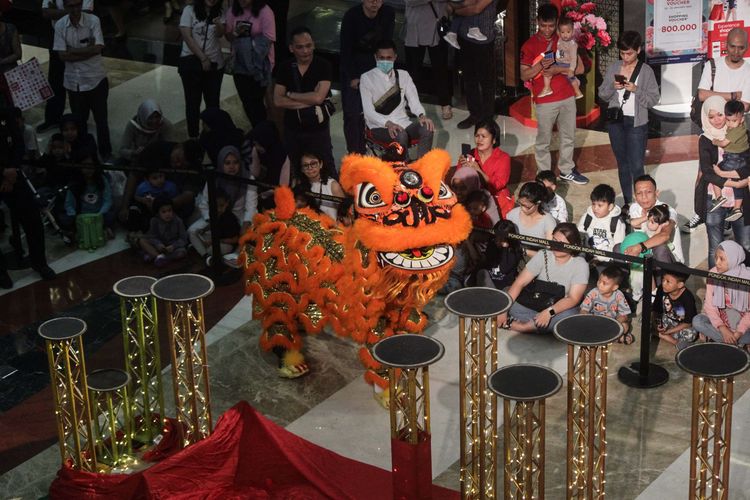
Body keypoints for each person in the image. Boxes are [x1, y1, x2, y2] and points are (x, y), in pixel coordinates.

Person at [685, 27, 750, 231]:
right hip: (711, 128)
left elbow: (746, 105)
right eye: (732, 46)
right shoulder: (713, 65)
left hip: (735, 131)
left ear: (746, 48)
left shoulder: (748, 71)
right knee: (704, 173)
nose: (736, 51)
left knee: (734, 170)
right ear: (725, 45)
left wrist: (716, 98)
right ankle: (700, 213)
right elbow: (702, 94)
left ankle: (731, 213)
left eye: (741, 48)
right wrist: (732, 96)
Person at [521, 4, 588, 185]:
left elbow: (580, 68)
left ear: (557, 23)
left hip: (567, 96)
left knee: (569, 136)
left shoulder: (565, 39)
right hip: (545, 100)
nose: (547, 30)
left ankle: (566, 170)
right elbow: (524, 75)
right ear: (537, 22)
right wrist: (541, 66)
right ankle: (544, 175)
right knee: (543, 140)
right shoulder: (530, 45)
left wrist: (557, 69)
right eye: (543, 25)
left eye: (551, 26)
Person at [598, 30, 659, 208]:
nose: (625, 57)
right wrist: (612, 86)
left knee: (637, 165)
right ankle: (627, 202)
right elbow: (602, 94)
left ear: (638, 50)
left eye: (629, 53)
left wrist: (636, 90)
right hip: (616, 121)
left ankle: (642, 203)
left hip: (636, 123)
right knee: (622, 164)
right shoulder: (614, 67)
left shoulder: (646, 71)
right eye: (622, 53)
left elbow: (654, 99)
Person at [497, 223, 589, 334]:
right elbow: (520, 282)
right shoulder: (543, 255)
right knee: (506, 294)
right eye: (554, 240)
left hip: (558, 309)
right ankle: (539, 325)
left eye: (562, 243)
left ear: (573, 245)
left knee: (571, 317)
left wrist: (549, 313)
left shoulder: (580, 264)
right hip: (536, 301)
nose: (556, 246)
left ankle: (525, 326)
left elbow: (573, 298)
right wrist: (503, 310)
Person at [0, 108, 56, 288]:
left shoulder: (4, 112)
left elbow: (18, 141)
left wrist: (12, 170)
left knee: (32, 217)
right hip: (5, 172)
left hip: (13, 172)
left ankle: (39, 262)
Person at [273, 26, 335, 178]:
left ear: (313, 44)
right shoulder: (285, 67)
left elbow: (319, 98)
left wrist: (291, 94)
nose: (305, 51)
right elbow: (277, 100)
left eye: (308, 46)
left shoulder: (323, 66)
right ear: (291, 48)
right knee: (295, 168)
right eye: (300, 47)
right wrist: (310, 100)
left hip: (318, 129)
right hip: (292, 128)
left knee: (326, 166)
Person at [53, 0, 112, 161]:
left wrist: (73, 51)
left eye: (78, 5)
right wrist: (87, 51)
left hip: (95, 79)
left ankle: (106, 154)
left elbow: (98, 48)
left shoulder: (93, 21)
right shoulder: (60, 25)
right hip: (73, 83)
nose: (75, 9)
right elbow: (62, 55)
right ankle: (83, 154)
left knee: (102, 121)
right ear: (65, 7)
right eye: (71, 6)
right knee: (79, 123)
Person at [696, 96, 750, 267]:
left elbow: (748, 165)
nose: (717, 120)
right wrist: (735, 183)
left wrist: (737, 177)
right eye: (711, 117)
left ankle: (745, 287)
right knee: (715, 248)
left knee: (746, 245)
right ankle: (716, 287)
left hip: (740, 201)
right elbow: (707, 172)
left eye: (720, 115)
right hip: (714, 199)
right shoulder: (705, 139)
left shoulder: (743, 134)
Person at [360, 39, 434, 160]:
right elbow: (368, 112)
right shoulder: (366, 78)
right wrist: (388, 124)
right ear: (375, 57)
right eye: (381, 58)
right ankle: (403, 171)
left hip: (403, 123)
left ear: (395, 57)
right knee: (400, 135)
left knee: (427, 127)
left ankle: (423, 166)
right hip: (379, 127)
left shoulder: (403, 75)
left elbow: (414, 101)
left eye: (389, 58)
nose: (385, 61)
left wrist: (421, 115)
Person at [339, 0, 395, 154]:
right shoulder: (351, 16)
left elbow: (387, 44)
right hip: (354, 67)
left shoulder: (388, 13)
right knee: (353, 114)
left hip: (377, 65)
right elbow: (346, 50)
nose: (374, 3)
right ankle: (355, 153)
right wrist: (353, 77)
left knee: (380, 111)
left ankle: (379, 150)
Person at [188, 145, 258, 257]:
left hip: (239, 217)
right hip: (217, 215)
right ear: (221, 163)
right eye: (227, 163)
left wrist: (246, 224)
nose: (232, 166)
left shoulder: (248, 178)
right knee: (192, 231)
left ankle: (235, 254)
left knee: (253, 230)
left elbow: (251, 207)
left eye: (235, 162)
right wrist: (211, 219)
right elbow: (204, 203)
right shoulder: (214, 177)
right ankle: (207, 256)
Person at [37, 0, 94, 133]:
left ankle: (79, 120)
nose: (73, 9)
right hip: (57, 34)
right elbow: (46, 12)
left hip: (79, 34)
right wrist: (72, 11)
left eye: (76, 5)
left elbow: (87, 13)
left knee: (78, 80)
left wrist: (58, 12)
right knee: (56, 78)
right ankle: (53, 118)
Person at [178, 0, 226, 139]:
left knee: (213, 103)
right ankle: (193, 137)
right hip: (192, 64)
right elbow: (187, 36)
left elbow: (220, 35)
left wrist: (218, 24)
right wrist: (203, 58)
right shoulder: (189, 10)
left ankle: (211, 136)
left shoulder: (221, 12)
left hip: (215, 64)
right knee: (193, 103)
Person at [225, 0, 276, 127]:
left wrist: (248, 45)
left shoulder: (265, 12)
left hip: (260, 66)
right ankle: (257, 130)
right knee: (246, 101)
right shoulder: (232, 11)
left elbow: (268, 39)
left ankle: (262, 134)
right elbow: (229, 37)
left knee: (257, 102)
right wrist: (235, 33)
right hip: (239, 64)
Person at [692, 240, 750, 348]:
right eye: (716, 258)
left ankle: (728, 341)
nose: (717, 263)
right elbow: (709, 306)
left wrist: (738, 333)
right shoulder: (713, 274)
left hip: (743, 323)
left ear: (734, 259)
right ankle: (736, 344)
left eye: (722, 259)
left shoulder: (747, 277)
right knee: (698, 321)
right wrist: (722, 328)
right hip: (722, 318)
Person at [449, 0, 496, 129]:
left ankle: (487, 118)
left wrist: (454, 10)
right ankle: (474, 114)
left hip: (484, 39)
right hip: (464, 36)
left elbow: (476, 8)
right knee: (469, 79)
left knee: (486, 81)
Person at [403, 0, 453, 120]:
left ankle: (445, 104)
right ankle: (411, 104)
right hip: (414, 27)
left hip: (437, 26)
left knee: (441, 69)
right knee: (413, 71)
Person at [456, 118, 514, 217]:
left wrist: (478, 170)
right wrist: (463, 169)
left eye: (484, 136)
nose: (479, 140)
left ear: (494, 139)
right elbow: (458, 183)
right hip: (472, 198)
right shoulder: (470, 154)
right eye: (477, 136)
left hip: (495, 199)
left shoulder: (503, 158)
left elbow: (496, 186)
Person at [623, 175, 684, 264]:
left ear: (656, 193)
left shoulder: (667, 211)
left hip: (669, 258)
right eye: (639, 193)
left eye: (648, 192)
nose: (644, 197)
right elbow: (635, 224)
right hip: (644, 252)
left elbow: (664, 235)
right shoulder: (634, 208)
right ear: (634, 196)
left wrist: (640, 247)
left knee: (659, 248)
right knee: (618, 248)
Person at [708, 99, 749, 222]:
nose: (730, 124)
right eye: (728, 120)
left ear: (741, 119)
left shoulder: (735, 131)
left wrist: (716, 141)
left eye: (734, 121)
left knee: (716, 173)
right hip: (742, 159)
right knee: (738, 186)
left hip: (733, 158)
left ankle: (719, 197)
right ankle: (737, 208)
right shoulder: (742, 127)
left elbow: (724, 143)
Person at [61, 153, 115, 237]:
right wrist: (76, 217)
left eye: (90, 165)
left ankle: (105, 228)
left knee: (110, 215)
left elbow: (107, 201)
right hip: (81, 216)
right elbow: (69, 204)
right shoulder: (74, 183)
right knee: (66, 219)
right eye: (84, 166)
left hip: (99, 214)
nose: (88, 169)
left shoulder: (102, 180)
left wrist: (99, 215)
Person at [580, 265, 633, 343]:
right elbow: (583, 310)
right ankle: (615, 338)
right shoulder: (593, 293)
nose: (600, 285)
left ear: (614, 287)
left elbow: (624, 316)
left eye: (605, 283)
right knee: (582, 323)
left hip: (612, 322)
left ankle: (610, 337)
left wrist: (614, 322)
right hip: (595, 322)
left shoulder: (619, 296)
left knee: (625, 326)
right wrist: (589, 318)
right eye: (599, 281)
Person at [244, 120, 291, 210]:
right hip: (263, 188)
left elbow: (283, 186)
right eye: (255, 144)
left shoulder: (282, 154)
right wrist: (255, 153)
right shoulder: (258, 151)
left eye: (258, 144)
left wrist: (265, 194)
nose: (256, 147)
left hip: (279, 193)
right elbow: (255, 173)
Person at [188, 187, 241, 260]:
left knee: (212, 249)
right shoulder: (214, 213)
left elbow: (235, 239)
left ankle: (203, 252)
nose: (218, 209)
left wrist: (215, 241)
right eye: (216, 206)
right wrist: (203, 230)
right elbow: (214, 224)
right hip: (214, 239)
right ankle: (206, 256)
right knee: (192, 233)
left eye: (221, 205)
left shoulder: (230, 218)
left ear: (227, 203)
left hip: (227, 244)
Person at [504, 181, 557, 256]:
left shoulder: (548, 222)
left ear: (538, 203)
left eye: (527, 207)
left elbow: (550, 254)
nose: (522, 208)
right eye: (521, 204)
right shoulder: (512, 215)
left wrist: (524, 251)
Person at [577, 183, 626, 261]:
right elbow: (579, 237)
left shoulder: (617, 223)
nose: (595, 208)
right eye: (593, 204)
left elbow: (618, 248)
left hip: (608, 260)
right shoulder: (587, 217)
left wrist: (602, 258)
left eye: (600, 205)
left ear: (610, 207)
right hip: (587, 257)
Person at [654, 267, 698, 350]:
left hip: (681, 325)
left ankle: (664, 335)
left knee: (690, 334)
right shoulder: (661, 289)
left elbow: (688, 323)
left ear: (680, 285)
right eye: (663, 279)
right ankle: (676, 342)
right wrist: (656, 324)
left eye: (668, 282)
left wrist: (668, 332)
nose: (663, 283)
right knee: (646, 323)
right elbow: (656, 310)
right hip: (666, 320)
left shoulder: (687, 297)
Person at [473, 219, 524, 290]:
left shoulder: (514, 250)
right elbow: (488, 261)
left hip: (505, 286)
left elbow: (504, 269)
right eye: (496, 237)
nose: (497, 241)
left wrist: (505, 249)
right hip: (489, 282)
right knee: (481, 273)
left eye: (501, 239)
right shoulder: (493, 245)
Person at [293, 151, 344, 220]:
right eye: (305, 165)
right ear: (302, 169)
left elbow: (345, 213)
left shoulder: (332, 185)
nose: (310, 168)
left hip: (331, 228)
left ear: (321, 164)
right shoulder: (299, 188)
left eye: (313, 163)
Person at [139, 196, 188, 267]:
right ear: (158, 213)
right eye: (163, 212)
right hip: (159, 245)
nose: (167, 214)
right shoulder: (154, 221)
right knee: (142, 241)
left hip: (172, 246)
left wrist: (173, 246)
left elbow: (183, 238)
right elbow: (152, 236)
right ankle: (158, 256)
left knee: (181, 253)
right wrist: (158, 244)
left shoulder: (178, 221)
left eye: (169, 210)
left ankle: (156, 256)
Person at [539, 16, 581, 99]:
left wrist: (571, 69)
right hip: (559, 61)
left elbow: (573, 59)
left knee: (570, 77)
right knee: (547, 69)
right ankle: (547, 88)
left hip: (565, 64)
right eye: (563, 32)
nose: (565, 35)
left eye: (568, 32)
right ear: (559, 32)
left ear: (572, 32)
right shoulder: (560, 39)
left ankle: (577, 91)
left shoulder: (572, 45)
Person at [0, 4, 21, 107]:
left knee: (14, 105)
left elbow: (18, 54)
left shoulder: (10, 28)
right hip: (9, 72)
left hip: (11, 74)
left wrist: (1, 61)